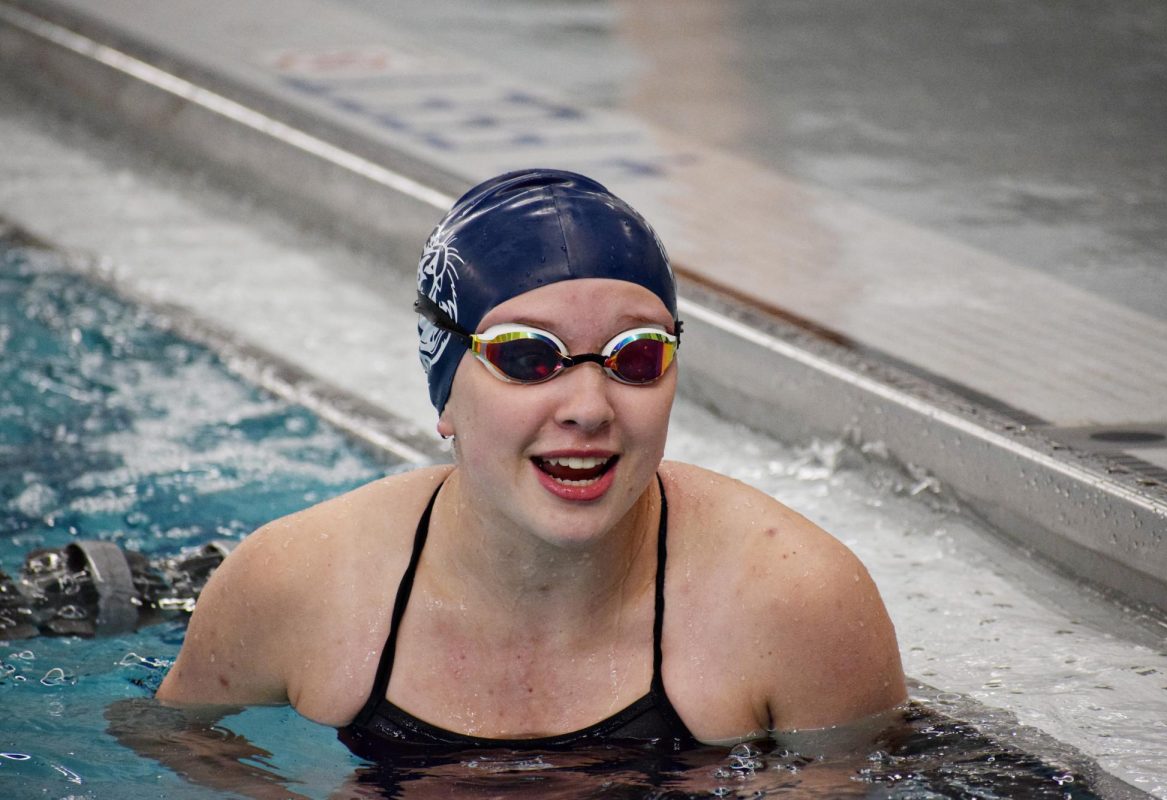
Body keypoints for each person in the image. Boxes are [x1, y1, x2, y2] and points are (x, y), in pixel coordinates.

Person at [153, 169, 905, 757]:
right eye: (527, 357)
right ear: (446, 392)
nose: (588, 407)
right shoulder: (295, 586)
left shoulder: (797, 608)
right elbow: (186, 751)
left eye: (635, 356)